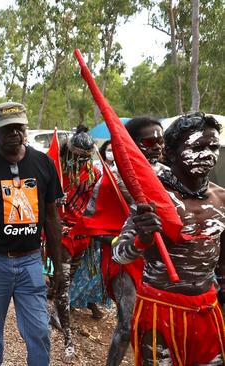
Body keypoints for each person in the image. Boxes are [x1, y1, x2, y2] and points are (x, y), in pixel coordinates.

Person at [113, 112, 225, 365]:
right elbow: (120, 255)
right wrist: (143, 238)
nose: (208, 153)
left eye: (213, 146)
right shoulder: (152, 199)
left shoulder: (222, 198)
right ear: (171, 153)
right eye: (197, 146)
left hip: (207, 309)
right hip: (160, 312)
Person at [0, 102, 63, 365]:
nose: (14, 134)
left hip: (31, 262)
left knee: (39, 331)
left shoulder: (43, 164)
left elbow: (52, 218)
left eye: (19, 127)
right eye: (7, 129)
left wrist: (58, 267)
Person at [101, 117, 164, 366]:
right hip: (125, 260)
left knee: (156, 327)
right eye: (150, 141)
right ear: (131, 144)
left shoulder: (172, 179)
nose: (158, 146)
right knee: (127, 323)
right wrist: (118, 240)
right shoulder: (111, 180)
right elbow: (92, 221)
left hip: (159, 262)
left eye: (161, 140)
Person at [53, 125, 102, 362]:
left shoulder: (95, 174)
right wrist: (55, 198)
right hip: (61, 234)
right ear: (69, 153)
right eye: (78, 157)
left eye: (86, 157)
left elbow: (97, 204)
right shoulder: (57, 170)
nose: (82, 161)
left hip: (83, 234)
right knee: (63, 283)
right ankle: (68, 339)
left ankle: (56, 312)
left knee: (69, 278)